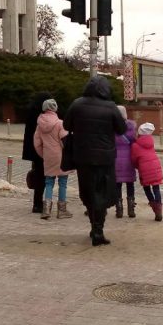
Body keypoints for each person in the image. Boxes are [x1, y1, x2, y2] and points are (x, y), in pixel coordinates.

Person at [63, 76, 126, 246]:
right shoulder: (111, 107)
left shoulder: (77, 104)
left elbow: (66, 126)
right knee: (102, 193)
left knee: (89, 192)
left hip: (83, 157)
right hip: (105, 158)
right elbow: (122, 129)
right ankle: (98, 230)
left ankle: (94, 228)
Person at [33, 98, 72, 220]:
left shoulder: (39, 125)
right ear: (55, 109)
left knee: (49, 182)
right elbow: (65, 141)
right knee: (63, 183)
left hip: (48, 155)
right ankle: (61, 210)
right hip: (60, 156)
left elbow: (37, 143)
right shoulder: (60, 123)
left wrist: (43, 154)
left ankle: (46, 210)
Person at [21, 91, 52, 215]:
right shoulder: (45, 116)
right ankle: (41, 203)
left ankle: (36, 203)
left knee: (37, 175)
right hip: (45, 149)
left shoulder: (31, 112)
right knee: (44, 177)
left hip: (34, 150)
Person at [131, 122, 163, 221]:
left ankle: (154, 208)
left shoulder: (135, 145)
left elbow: (133, 160)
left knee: (147, 188)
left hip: (144, 168)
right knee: (156, 188)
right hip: (155, 166)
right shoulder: (151, 142)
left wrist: (136, 166)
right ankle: (159, 210)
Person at [113, 105, 138, 218]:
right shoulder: (132, 126)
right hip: (129, 159)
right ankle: (131, 209)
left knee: (117, 185)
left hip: (116, 159)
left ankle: (119, 209)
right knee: (130, 184)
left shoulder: (111, 127)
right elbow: (135, 141)